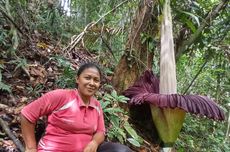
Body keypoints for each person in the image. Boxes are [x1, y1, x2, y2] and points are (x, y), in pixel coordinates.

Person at [21, 62, 132, 152]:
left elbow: (100, 132)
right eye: (87, 78)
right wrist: (31, 148)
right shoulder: (61, 96)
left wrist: (94, 143)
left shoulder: (96, 105)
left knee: (121, 150)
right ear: (77, 79)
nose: (92, 83)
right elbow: (27, 114)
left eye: (96, 80)